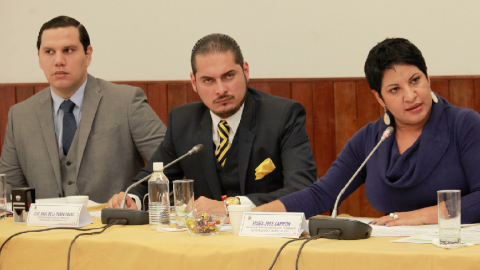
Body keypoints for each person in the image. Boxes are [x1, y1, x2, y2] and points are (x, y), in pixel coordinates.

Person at [255, 38, 480, 225]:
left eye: (415, 80)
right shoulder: (371, 139)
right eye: (394, 89)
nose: (410, 95)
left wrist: (419, 217)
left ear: (428, 77)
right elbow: (322, 193)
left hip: (455, 250)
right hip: (391, 249)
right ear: (379, 97)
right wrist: (254, 217)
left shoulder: (464, 124)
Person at [107, 33, 317, 213]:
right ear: (193, 82)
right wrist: (131, 198)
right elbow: (154, 176)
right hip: (205, 240)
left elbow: (303, 189)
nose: (220, 90)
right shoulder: (183, 121)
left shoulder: (282, 115)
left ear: (245, 71)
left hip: (268, 239)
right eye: (208, 80)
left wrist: (231, 207)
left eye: (228, 76)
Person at [0, 16, 166, 203]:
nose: (59, 61)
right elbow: (8, 189)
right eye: (49, 52)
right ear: (39, 58)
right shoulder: (20, 115)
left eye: (68, 50)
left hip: (115, 226)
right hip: (42, 230)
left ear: (88, 55)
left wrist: (135, 199)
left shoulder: (126, 102)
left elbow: (169, 165)